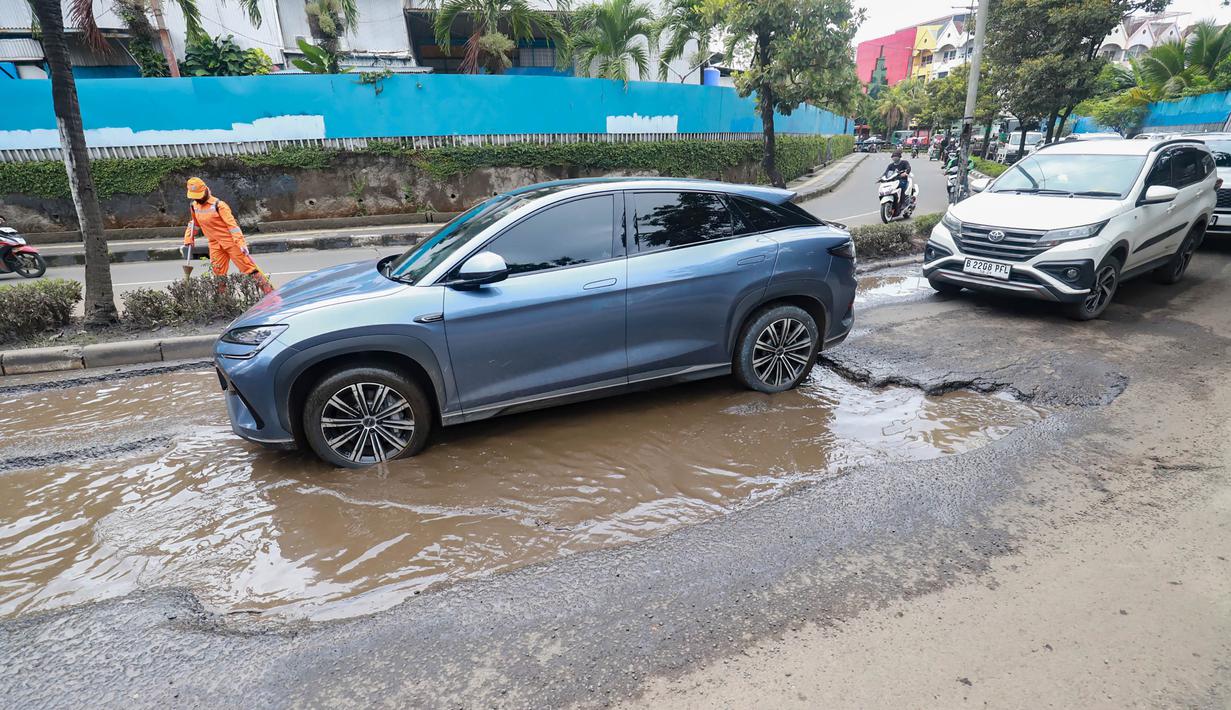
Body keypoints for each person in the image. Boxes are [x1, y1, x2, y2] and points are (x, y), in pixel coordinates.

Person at [182, 177, 273, 294]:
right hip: (214, 245)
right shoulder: (194, 206)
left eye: (199, 195)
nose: (197, 199)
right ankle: (223, 301)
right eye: (194, 196)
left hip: (231, 243)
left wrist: (240, 243)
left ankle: (270, 294)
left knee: (248, 269)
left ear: (206, 190)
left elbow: (232, 226)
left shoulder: (219, 205)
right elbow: (194, 224)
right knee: (218, 274)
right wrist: (189, 237)